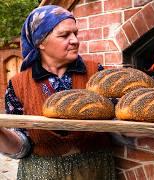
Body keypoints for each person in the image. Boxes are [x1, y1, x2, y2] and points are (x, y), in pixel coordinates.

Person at [0, 5, 115, 180]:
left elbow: (117, 120)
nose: (75, 40)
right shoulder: (18, 85)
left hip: (94, 172)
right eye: (64, 35)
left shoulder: (97, 74)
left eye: (75, 33)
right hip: (40, 174)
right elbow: (22, 146)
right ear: (41, 42)